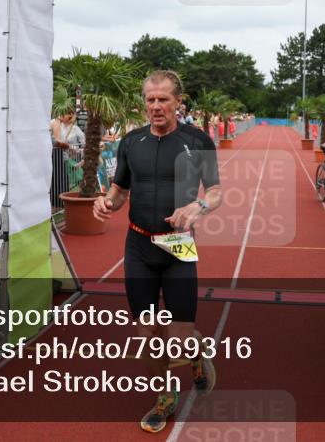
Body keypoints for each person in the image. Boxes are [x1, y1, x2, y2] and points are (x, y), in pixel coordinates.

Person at [92, 70, 222, 433]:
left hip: (177, 246)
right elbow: (118, 192)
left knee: (179, 336)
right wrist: (106, 203)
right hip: (138, 246)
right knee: (146, 333)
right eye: (150, 100)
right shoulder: (131, 142)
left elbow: (215, 192)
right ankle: (164, 398)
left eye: (163, 99)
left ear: (178, 102)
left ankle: (195, 353)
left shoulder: (196, 141)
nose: (156, 106)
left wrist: (199, 206)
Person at [49, 110, 85, 209]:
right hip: (56, 157)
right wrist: (66, 146)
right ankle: (57, 206)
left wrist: (76, 150)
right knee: (58, 182)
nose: (71, 115)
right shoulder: (54, 123)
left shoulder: (75, 128)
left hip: (66, 159)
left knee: (64, 182)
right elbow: (55, 141)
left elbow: (84, 142)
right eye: (68, 113)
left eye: (71, 113)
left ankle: (61, 205)